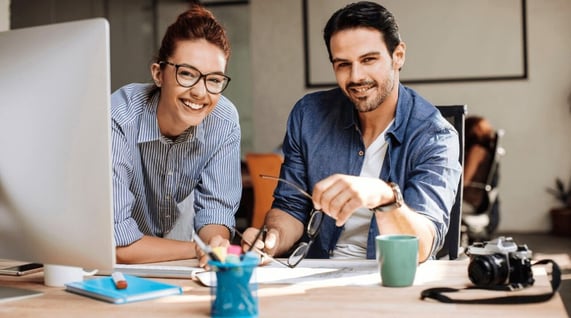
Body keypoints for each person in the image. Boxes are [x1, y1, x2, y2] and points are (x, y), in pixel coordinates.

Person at [242, 1, 461, 263]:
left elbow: (422, 246)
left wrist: (384, 197)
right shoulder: (308, 116)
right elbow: (290, 208)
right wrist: (271, 239)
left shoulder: (435, 135)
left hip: (391, 279)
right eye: (343, 64)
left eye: (369, 60)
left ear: (398, 56)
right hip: (314, 274)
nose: (356, 76)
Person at [111, 4, 241, 267]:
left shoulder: (223, 121)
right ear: (158, 74)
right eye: (187, 74)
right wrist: (197, 249)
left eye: (214, 80)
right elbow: (117, 245)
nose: (200, 93)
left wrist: (215, 243)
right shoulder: (119, 117)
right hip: (104, 267)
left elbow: (216, 211)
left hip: (161, 263)